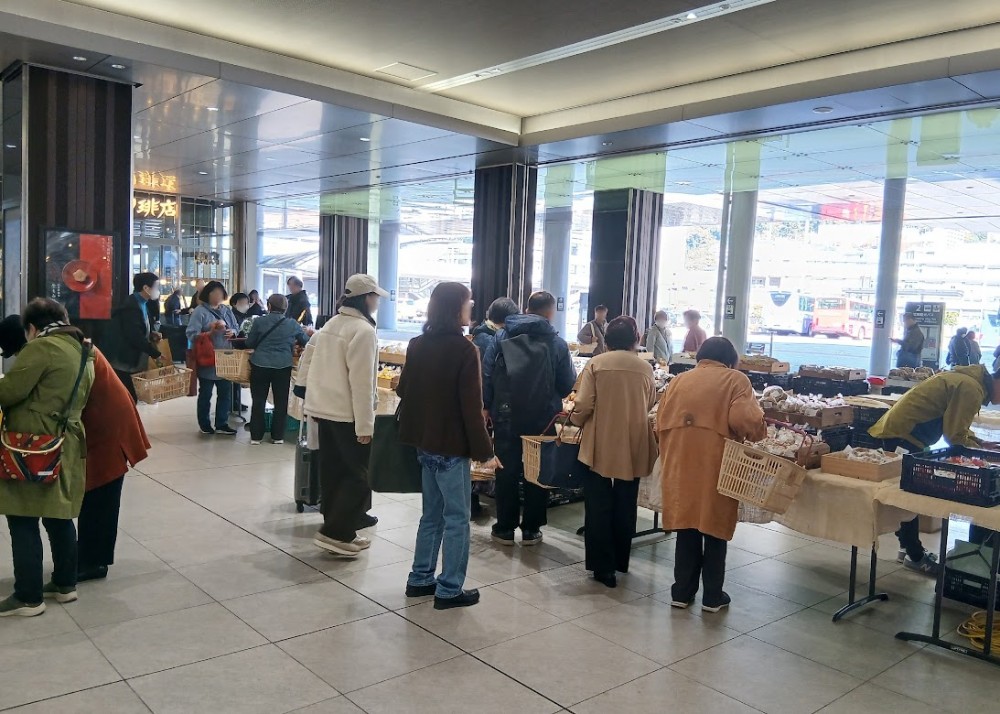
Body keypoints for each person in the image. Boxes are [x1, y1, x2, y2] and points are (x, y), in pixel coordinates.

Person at [398, 282, 500, 610]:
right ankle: (449, 588)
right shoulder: (464, 350)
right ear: (457, 308)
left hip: (424, 441)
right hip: (451, 445)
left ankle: (420, 579)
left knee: (432, 515)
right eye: (468, 302)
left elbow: (403, 391)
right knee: (457, 517)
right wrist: (486, 452)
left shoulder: (417, 344)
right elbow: (472, 409)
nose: (471, 307)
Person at [657, 336, 766, 612]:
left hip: (680, 460)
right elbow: (744, 420)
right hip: (717, 462)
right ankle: (712, 597)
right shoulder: (735, 380)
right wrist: (760, 429)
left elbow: (658, 420)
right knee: (713, 526)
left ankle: (680, 593)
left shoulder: (679, 380)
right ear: (729, 359)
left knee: (686, 524)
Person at [0, 299, 95, 617]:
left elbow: (9, 393)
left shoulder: (41, 348)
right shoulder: (82, 349)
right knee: (58, 515)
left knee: (22, 516)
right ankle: (65, 585)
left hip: (33, 444)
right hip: (66, 441)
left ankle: (28, 597)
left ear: (31, 327)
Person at [869, 363, 1000, 575]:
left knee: (906, 493)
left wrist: (981, 444)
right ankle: (915, 555)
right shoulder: (971, 388)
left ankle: (907, 549)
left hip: (902, 430)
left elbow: (956, 428)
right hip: (905, 433)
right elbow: (954, 437)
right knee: (907, 497)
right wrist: (982, 453)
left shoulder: (969, 381)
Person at [296, 274, 387, 557]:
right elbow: (361, 382)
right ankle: (335, 532)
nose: (377, 302)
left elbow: (313, 366)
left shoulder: (332, 324)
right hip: (347, 415)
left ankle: (340, 531)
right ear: (366, 298)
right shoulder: (362, 331)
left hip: (323, 411)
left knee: (333, 471)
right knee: (358, 476)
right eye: (375, 296)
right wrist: (365, 424)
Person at [482, 291, 576, 547]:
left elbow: (487, 374)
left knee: (506, 470)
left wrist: (487, 406)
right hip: (543, 417)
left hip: (505, 413)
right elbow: (568, 384)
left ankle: (504, 529)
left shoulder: (501, 336)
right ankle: (532, 529)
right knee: (538, 470)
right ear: (551, 312)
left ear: (525, 309)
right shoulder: (557, 343)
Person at [571, 316, 658, 588]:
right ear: (636, 339)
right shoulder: (645, 368)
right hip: (634, 442)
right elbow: (651, 402)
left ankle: (602, 567)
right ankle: (621, 560)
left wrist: (575, 420)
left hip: (601, 441)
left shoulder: (596, 364)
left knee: (598, 505)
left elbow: (583, 404)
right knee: (625, 502)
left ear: (607, 340)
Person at [78, 345, 151, 582]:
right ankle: (91, 558)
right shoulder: (76, 342)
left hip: (107, 427)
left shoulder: (64, 347)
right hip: (108, 418)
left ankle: (93, 562)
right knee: (98, 494)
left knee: (100, 490)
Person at [468, 296, 520, 518]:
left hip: (477, 402)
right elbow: (486, 376)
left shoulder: (480, 335)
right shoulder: (490, 340)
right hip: (482, 404)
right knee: (478, 453)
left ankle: (475, 498)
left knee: (476, 452)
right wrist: (487, 405)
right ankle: (472, 501)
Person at [246, 294, 310, 446]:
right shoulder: (292, 324)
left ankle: (256, 437)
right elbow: (307, 341)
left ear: (268, 306)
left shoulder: (259, 322)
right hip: (283, 365)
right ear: (285, 308)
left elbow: (250, 342)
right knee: (281, 402)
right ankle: (277, 436)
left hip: (260, 364)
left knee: (259, 400)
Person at [186, 280, 240, 436]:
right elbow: (191, 334)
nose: (217, 296)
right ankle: (204, 423)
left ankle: (222, 423)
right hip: (208, 358)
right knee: (206, 393)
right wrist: (210, 331)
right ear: (207, 294)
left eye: (220, 293)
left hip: (226, 357)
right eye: (213, 293)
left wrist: (233, 332)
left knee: (225, 393)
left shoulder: (227, 310)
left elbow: (235, 326)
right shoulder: (199, 312)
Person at [107, 272, 162, 403]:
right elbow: (134, 335)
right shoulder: (131, 306)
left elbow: (141, 328)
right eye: (156, 287)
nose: (158, 291)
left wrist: (151, 334)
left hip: (135, 360)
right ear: (146, 288)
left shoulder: (143, 303)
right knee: (127, 398)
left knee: (131, 397)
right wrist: (155, 353)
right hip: (125, 360)